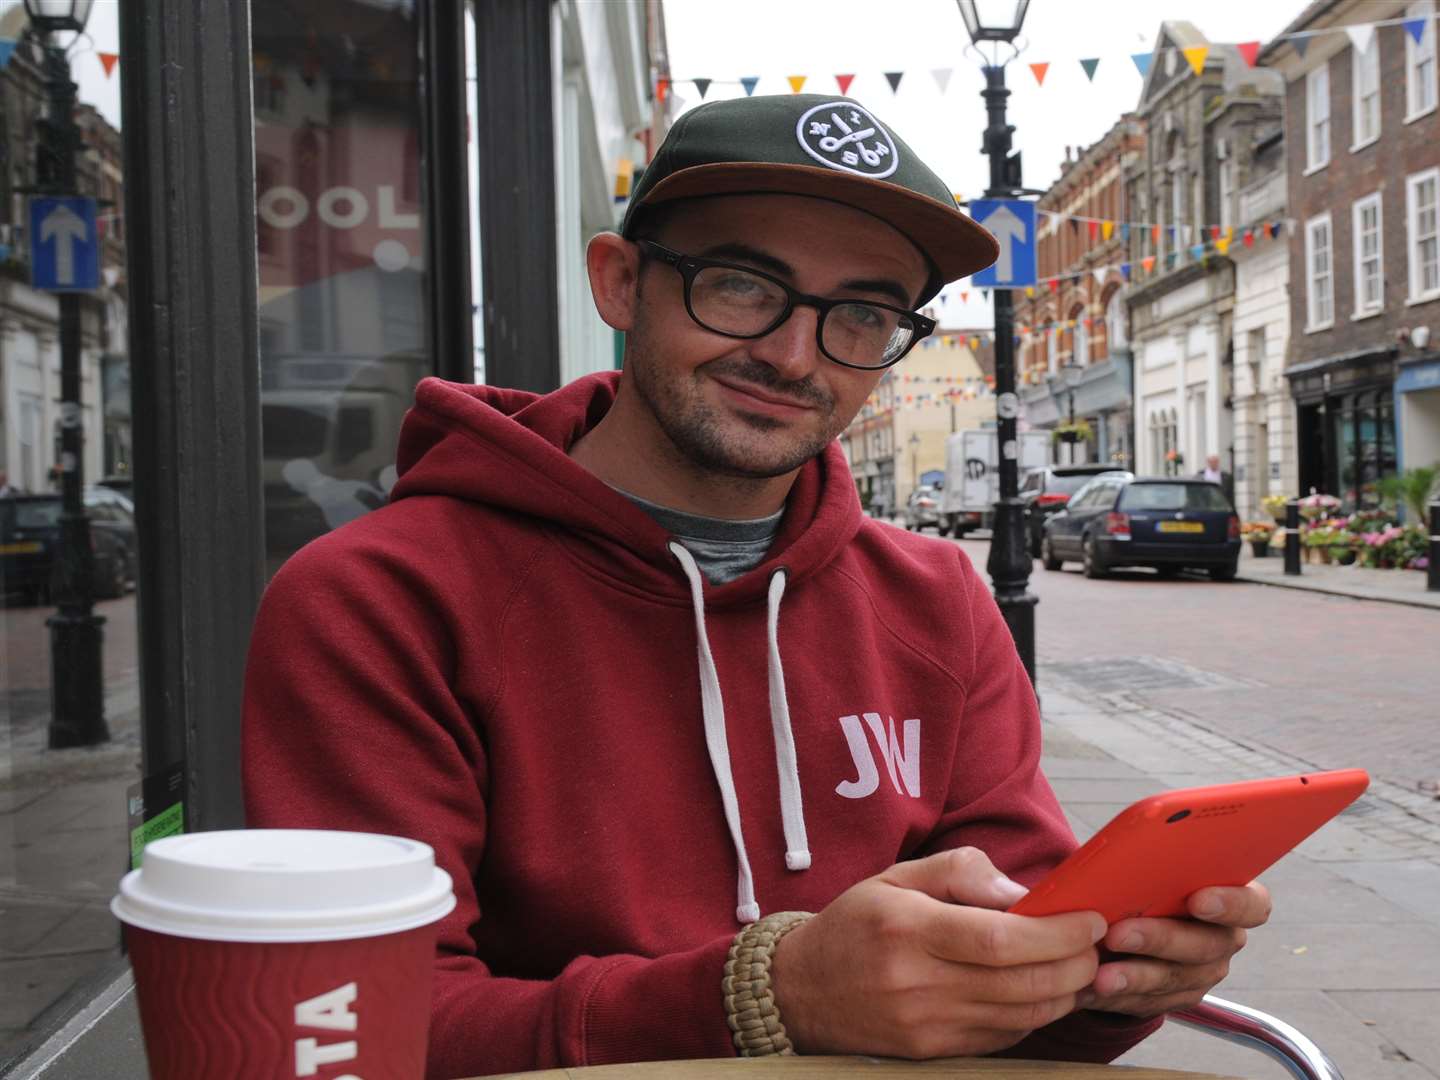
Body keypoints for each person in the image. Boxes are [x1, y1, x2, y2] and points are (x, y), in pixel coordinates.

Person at [243, 94, 1268, 1079]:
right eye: (740, 284)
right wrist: (765, 1000)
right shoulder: (379, 598)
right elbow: (352, 1028)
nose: (789, 355)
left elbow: (1020, 1010)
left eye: (862, 314)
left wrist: (1106, 980)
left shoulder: (937, 599)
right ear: (618, 281)